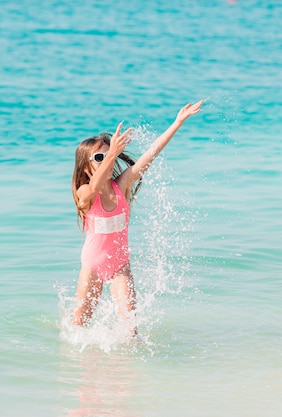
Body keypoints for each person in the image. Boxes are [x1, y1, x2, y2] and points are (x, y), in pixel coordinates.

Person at [71, 100, 204, 331]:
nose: (109, 160)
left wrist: (177, 122)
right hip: (92, 265)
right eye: (100, 158)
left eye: (109, 155)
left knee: (131, 327)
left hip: (120, 265)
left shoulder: (121, 186)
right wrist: (112, 151)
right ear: (85, 168)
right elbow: (93, 189)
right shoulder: (85, 193)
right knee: (79, 326)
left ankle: (125, 366)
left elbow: (150, 155)